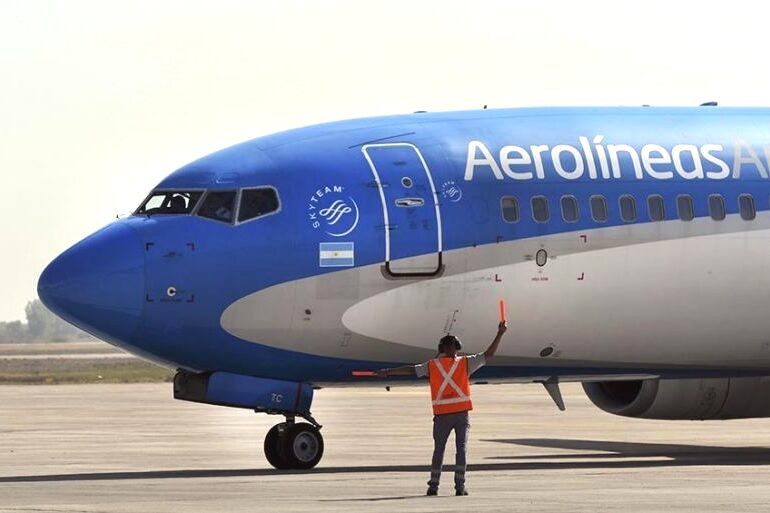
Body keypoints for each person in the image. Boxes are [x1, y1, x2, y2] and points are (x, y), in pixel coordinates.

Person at [377, 320, 508, 496]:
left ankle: (433, 486)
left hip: (442, 415)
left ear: (442, 348)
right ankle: (459, 487)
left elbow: (411, 370)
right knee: (461, 450)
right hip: (461, 414)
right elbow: (489, 354)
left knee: (439, 450)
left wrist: (387, 372)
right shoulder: (465, 363)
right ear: (457, 347)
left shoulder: (433, 365)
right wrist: (500, 333)